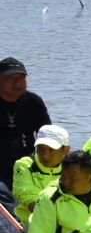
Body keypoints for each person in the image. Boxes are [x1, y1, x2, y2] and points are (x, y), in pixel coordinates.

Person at [0, 56, 51, 194]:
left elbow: (48, 135)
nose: (17, 83)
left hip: (27, 166)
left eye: (21, 78)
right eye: (11, 78)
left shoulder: (33, 101)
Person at [12, 124, 69, 224]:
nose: (45, 155)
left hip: (65, 221)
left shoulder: (72, 168)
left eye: (51, 150)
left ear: (66, 150)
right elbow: (28, 194)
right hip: (32, 222)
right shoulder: (24, 164)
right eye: (41, 148)